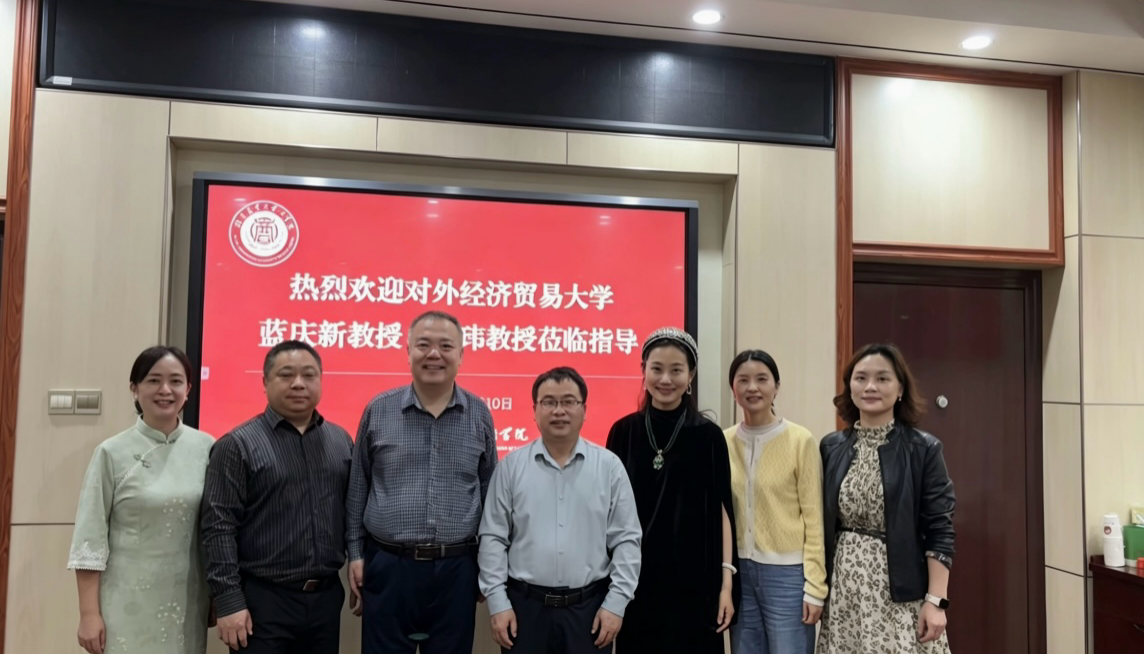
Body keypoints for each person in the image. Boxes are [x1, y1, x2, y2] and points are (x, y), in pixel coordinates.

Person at [346, 310, 499, 654]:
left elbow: (491, 493)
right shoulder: (378, 409)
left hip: (457, 568)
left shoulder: (479, 414)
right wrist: (355, 554)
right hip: (388, 565)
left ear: (461, 354)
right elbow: (358, 489)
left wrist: (489, 563)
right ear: (408, 351)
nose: (434, 354)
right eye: (424, 345)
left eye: (446, 346)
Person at [200, 340, 353, 654]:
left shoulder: (341, 441)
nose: (298, 383)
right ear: (265, 382)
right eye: (286, 375)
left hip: (325, 599)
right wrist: (228, 600)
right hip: (263, 601)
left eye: (309, 375)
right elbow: (218, 528)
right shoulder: (237, 445)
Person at [478, 367, 643, 654]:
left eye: (568, 401)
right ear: (535, 410)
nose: (559, 411)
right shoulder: (510, 468)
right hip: (524, 610)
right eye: (549, 402)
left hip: (590, 611)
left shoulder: (609, 467)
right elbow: (493, 538)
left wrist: (616, 604)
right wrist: (498, 603)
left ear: (584, 410)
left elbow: (627, 540)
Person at [68, 345, 214, 654]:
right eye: (153, 380)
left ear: (188, 389)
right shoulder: (111, 452)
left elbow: (215, 530)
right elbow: (89, 539)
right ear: (134, 388)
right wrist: (88, 614)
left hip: (188, 602)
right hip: (126, 602)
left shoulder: (207, 448)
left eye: (176, 381)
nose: (165, 390)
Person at [605, 326, 740, 654]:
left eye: (676, 370)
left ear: (690, 375)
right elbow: (607, 512)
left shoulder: (708, 435)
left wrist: (726, 585)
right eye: (657, 369)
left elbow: (724, 511)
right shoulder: (623, 432)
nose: (666, 379)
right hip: (636, 582)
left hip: (697, 585)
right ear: (644, 371)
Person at [818, 343, 956, 654]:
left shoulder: (923, 449)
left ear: (900, 389)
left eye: (882, 378)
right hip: (844, 592)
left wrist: (936, 601)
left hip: (898, 592)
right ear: (849, 386)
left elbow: (940, 528)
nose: (870, 386)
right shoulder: (831, 447)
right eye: (861, 378)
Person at [724, 349, 826, 654]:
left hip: (788, 576)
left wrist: (815, 587)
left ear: (776, 387)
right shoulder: (723, 441)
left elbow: (814, 518)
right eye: (743, 380)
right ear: (733, 389)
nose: (752, 387)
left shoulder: (800, 440)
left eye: (761, 379)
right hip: (740, 572)